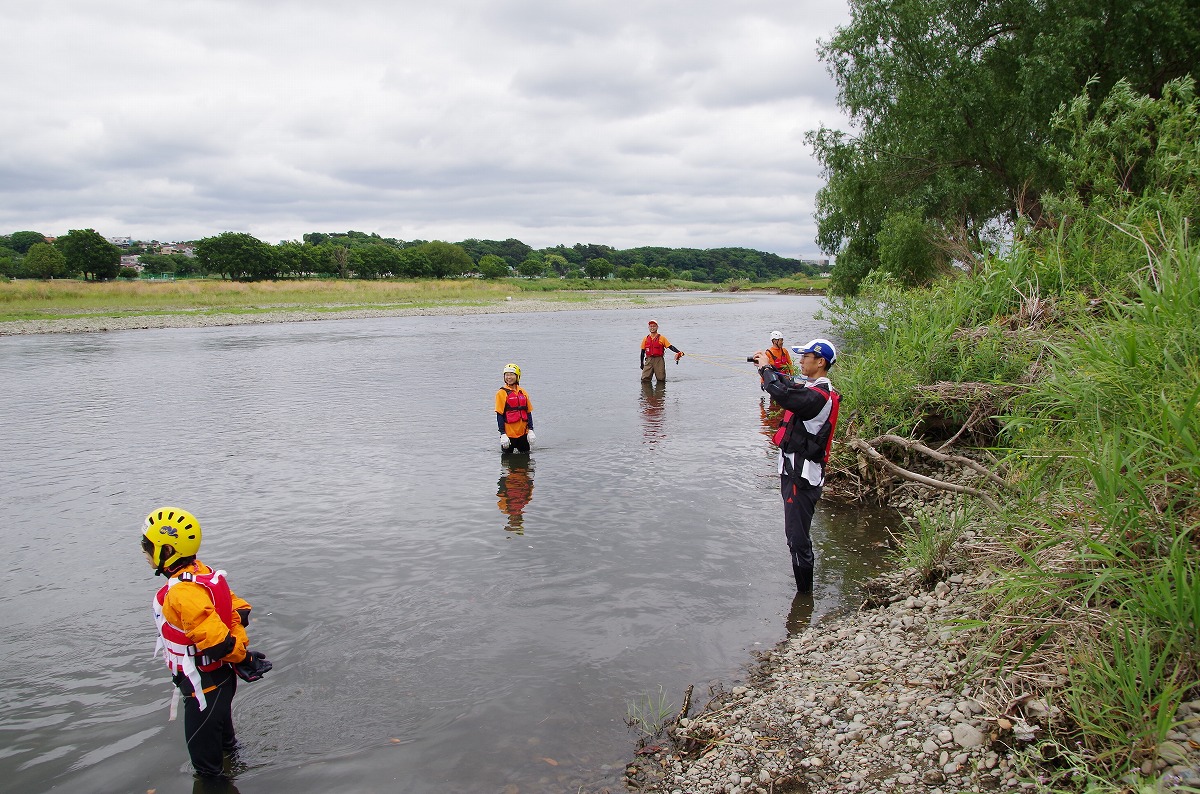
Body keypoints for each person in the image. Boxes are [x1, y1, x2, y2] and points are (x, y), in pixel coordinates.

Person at [141, 506, 271, 779]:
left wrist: (244, 658)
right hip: (220, 678)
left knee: (206, 771)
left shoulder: (182, 594)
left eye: (147, 544)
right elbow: (239, 609)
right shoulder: (202, 572)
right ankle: (240, 771)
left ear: (166, 551)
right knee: (226, 744)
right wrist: (241, 654)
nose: (143, 550)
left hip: (204, 686)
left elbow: (218, 644)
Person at [752, 338, 841, 593]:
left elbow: (781, 393)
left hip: (801, 479)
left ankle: (805, 599)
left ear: (820, 362)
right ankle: (804, 603)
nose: (800, 361)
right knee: (794, 536)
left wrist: (766, 369)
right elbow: (786, 385)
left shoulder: (815, 397)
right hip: (794, 474)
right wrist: (768, 369)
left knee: (797, 539)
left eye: (806, 357)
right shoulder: (812, 389)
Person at [496, 363, 535, 453]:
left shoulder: (523, 392)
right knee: (507, 462)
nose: (509, 377)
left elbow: (528, 412)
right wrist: (503, 434)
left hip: (523, 434)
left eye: (511, 374)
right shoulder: (501, 393)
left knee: (526, 461)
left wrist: (531, 430)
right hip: (509, 436)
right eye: (506, 375)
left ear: (517, 376)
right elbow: (499, 414)